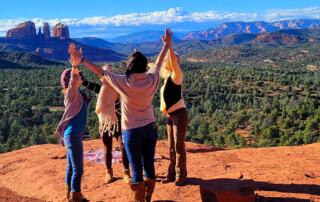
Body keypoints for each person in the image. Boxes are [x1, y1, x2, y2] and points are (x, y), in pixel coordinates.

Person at [68, 29, 169, 202]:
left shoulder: (124, 82)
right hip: (150, 128)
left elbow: (101, 72)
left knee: (136, 167)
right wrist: (167, 44)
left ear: (129, 66)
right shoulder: (152, 80)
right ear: (145, 67)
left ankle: (139, 198)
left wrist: (81, 60)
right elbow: (159, 64)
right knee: (148, 165)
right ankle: (148, 195)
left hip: (131, 131)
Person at [81, 75, 131, 184]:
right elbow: (88, 84)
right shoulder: (101, 89)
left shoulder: (119, 88)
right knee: (107, 148)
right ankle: (108, 172)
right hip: (105, 124)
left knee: (123, 146)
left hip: (119, 123)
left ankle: (126, 172)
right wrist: (81, 77)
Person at [55, 51, 89, 202]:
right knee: (78, 169)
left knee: (71, 166)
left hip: (73, 135)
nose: (80, 77)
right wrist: (75, 66)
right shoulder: (71, 93)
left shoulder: (76, 95)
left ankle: (69, 195)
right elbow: (73, 82)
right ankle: (76, 196)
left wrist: (77, 67)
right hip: (73, 135)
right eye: (77, 76)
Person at [160, 29, 189, 186]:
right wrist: (164, 47)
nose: (169, 61)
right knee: (171, 147)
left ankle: (181, 175)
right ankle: (171, 174)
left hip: (179, 114)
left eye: (173, 60)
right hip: (170, 116)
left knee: (179, 146)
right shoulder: (167, 77)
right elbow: (159, 63)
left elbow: (170, 59)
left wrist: (169, 46)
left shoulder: (177, 75)